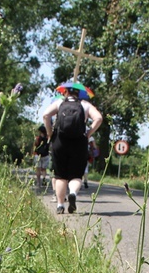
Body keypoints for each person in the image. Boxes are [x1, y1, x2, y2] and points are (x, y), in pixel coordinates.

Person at [42, 85, 103, 214]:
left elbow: (46, 115)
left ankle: (60, 205)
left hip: (59, 140)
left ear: (65, 92)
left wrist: (50, 133)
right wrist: (89, 133)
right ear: (80, 93)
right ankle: (73, 193)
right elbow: (99, 118)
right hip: (79, 142)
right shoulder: (85, 104)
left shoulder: (59, 103)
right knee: (76, 175)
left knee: (60, 176)